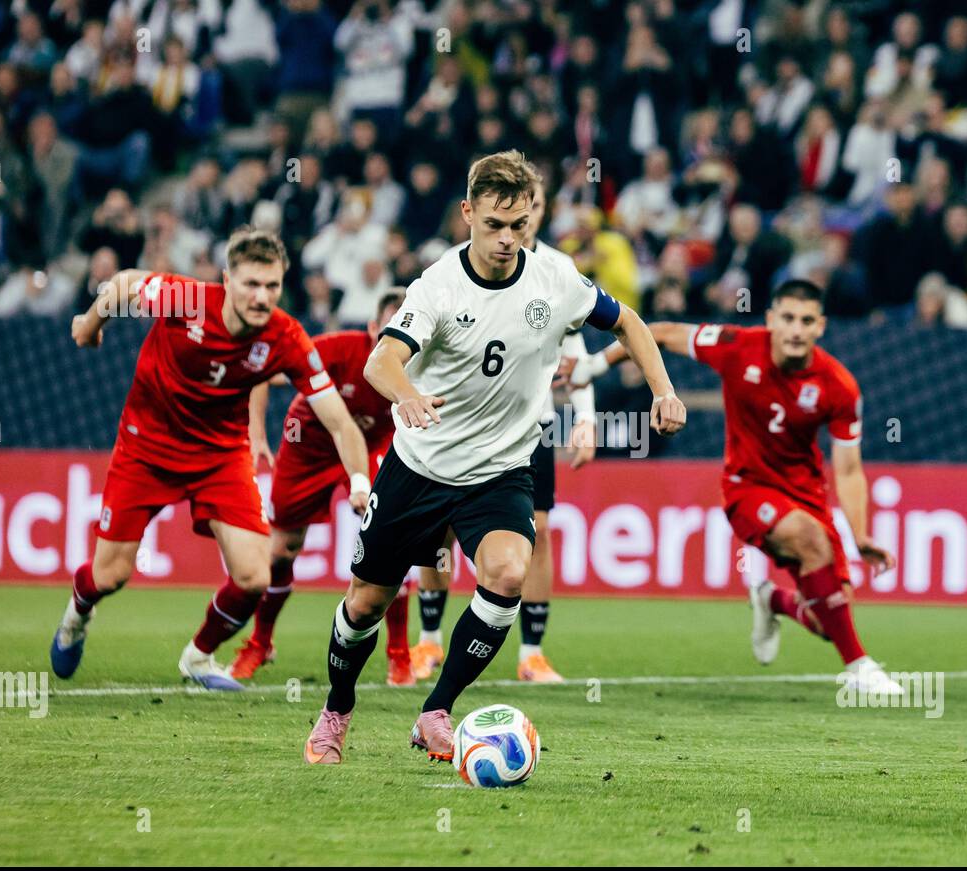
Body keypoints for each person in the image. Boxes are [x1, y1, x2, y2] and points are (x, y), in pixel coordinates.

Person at [302, 150, 686, 764]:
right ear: (467, 214)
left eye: (520, 225)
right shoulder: (438, 285)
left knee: (509, 573)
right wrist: (409, 395)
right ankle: (336, 709)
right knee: (366, 603)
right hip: (420, 468)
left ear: (533, 216)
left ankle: (436, 711)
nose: (507, 239)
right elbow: (382, 360)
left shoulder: (556, 280)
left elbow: (631, 324)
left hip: (501, 469)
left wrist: (663, 390)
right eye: (493, 225)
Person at [50, 228, 371, 690]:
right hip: (146, 448)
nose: (262, 297)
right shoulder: (187, 299)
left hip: (220, 456)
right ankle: (76, 618)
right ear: (227, 279)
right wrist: (88, 323)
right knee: (110, 575)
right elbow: (122, 285)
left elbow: (340, 421)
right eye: (250, 285)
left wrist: (359, 481)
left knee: (254, 576)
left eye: (272, 286)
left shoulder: (287, 338)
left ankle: (198, 658)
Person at [572, 279, 904, 694]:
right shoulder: (736, 344)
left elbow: (850, 470)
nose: (795, 330)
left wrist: (860, 534)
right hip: (746, 489)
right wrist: (594, 365)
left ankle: (770, 600)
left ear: (820, 326)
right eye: (787, 318)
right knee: (809, 538)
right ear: (771, 320)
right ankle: (859, 668)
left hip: (806, 497)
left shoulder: (838, 385)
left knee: (826, 619)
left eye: (805, 321)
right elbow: (659, 332)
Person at [413, 183, 598, 684]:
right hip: (457, 425)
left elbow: (574, 351)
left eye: (532, 208)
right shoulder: (453, 267)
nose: (522, 218)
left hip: (527, 431)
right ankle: (428, 642)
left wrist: (584, 416)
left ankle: (532, 654)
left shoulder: (558, 271)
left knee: (536, 535)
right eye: (509, 212)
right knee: (437, 534)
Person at [235, 287, 414, 685]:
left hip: (377, 447)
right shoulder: (337, 348)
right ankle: (260, 642)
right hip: (309, 444)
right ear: (372, 328)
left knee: (391, 543)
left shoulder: (424, 363)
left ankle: (399, 654)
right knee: (281, 551)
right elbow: (262, 369)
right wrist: (255, 432)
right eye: (389, 326)